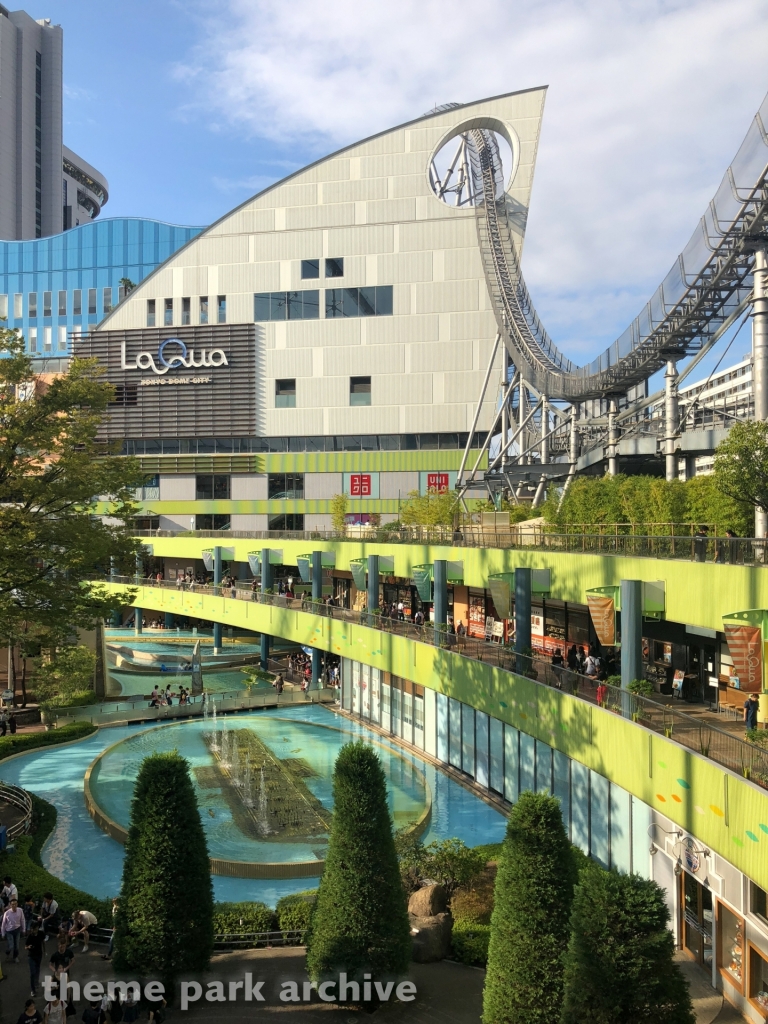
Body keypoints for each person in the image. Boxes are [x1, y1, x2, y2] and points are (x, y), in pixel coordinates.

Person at [2, 896, 25, 961]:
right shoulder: (7, 913)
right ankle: (8, 952)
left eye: (15, 904)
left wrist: (23, 929)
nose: (14, 905)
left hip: (17, 930)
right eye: (12, 904)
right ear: (10, 905)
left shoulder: (20, 911)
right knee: (11, 945)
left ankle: (15, 957)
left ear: (17, 904)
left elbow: (22, 920)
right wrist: (3, 934)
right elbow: (3, 924)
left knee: (16, 945)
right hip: (9, 931)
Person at [25, 920, 43, 997]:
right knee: (32, 972)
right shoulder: (30, 936)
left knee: (37, 969)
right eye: (32, 928)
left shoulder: (41, 934)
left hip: (39, 955)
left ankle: (36, 982)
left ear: (37, 928)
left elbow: (43, 942)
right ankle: (33, 990)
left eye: (35, 929)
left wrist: (45, 951)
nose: (33, 930)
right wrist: (28, 947)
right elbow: (25, 946)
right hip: (31, 955)